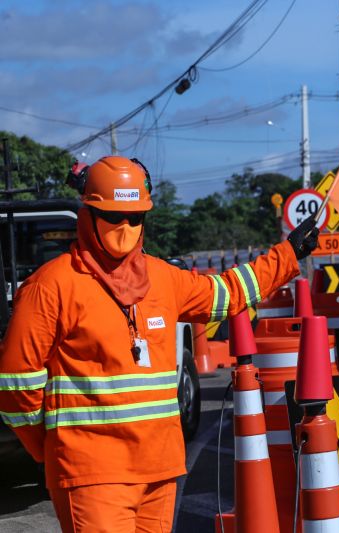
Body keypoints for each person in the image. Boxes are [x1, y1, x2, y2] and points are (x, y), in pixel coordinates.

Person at [0, 155, 319, 532]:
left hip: (159, 470)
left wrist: (288, 254)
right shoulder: (50, 286)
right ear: (88, 215)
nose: (125, 227)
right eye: (114, 217)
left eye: (134, 218)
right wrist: (52, 451)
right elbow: (16, 387)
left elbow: (227, 294)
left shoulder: (163, 279)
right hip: (92, 474)